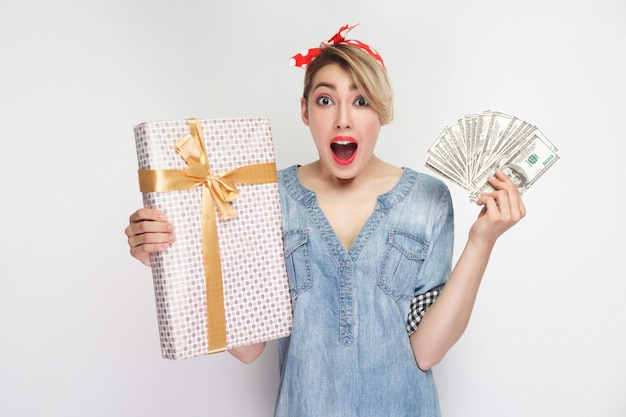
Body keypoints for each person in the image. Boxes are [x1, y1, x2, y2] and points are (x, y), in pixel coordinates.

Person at [125, 24, 526, 417]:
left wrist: (481, 242)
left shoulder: (427, 199)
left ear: (381, 113)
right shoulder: (267, 196)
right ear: (304, 111)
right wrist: (171, 254)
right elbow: (247, 349)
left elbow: (427, 350)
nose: (343, 120)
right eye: (325, 100)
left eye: (361, 101)